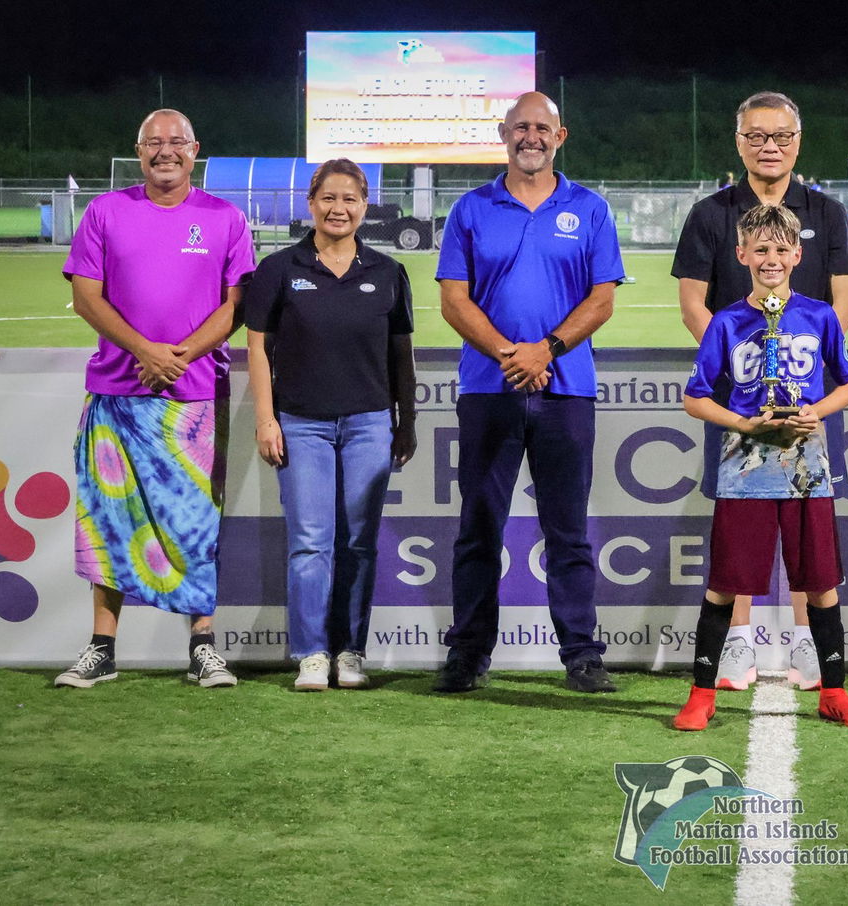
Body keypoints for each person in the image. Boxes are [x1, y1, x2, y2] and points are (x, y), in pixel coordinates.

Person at [54, 108, 255, 688]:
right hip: (116, 391)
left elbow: (236, 304)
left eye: (176, 142)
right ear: (138, 151)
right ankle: (101, 648)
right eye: (153, 143)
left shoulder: (224, 218)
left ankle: (202, 646)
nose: (164, 151)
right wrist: (144, 351)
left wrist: (180, 355)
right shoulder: (105, 211)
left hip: (193, 395)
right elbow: (88, 298)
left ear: (195, 150)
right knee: (109, 517)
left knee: (193, 519)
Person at [671, 91, 848, 691]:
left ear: (798, 141)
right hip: (737, 401)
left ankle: (809, 645)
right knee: (742, 525)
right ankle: (738, 646)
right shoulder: (710, 213)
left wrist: (792, 381)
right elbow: (692, 305)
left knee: (808, 531)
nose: (769, 146)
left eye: (779, 135)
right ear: (739, 142)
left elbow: (842, 305)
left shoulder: (827, 212)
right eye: (756, 136)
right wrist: (741, 374)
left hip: (805, 399)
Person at [433, 92, 625, 694]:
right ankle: (468, 654)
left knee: (567, 528)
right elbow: (453, 300)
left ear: (560, 136)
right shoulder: (470, 208)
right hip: (489, 388)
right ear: (504, 133)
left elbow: (602, 300)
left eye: (542, 128)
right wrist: (510, 354)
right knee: (478, 527)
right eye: (521, 127)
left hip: (566, 388)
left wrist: (548, 350)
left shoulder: (590, 209)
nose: (531, 137)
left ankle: (582, 655)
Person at [245, 159, 417, 692]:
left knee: (360, 542)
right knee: (311, 542)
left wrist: (404, 422)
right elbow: (257, 347)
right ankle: (312, 654)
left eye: (349, 199)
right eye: (328, 198)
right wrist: (267, 419)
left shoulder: (387, 272)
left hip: (369, 423)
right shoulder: (279, 268)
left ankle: (351, 652)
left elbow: (401, 356)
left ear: (365, 207)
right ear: (311, 203)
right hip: (300, 424)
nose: (338, 208)